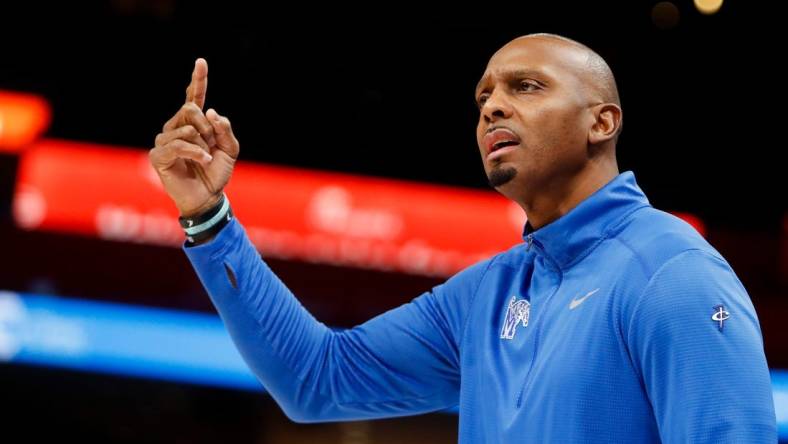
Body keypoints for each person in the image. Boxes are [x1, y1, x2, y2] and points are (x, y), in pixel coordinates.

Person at [148, 33, 777, 442]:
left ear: (602, 122)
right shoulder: (489, 294)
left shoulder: (672, 275)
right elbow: (318, 379)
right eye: (484, 96)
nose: (492, 107)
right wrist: (208, 217)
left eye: (526, 87)